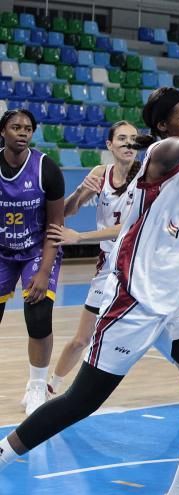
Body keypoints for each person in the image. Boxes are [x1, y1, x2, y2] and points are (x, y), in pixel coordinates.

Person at [0, 20, 179, 495]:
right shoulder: (163, 155)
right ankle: (4, 452)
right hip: (133, 302)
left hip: (175, 303)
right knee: (80, 402)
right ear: (163, 126)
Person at [46, 121, 179, 411]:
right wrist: (81, 192)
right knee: (81, 338)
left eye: (133, 138)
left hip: (138, 267)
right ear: (109, 145)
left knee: (168, 337)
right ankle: (48, 389)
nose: (128, 143)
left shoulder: (148, 174)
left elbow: (126, 227)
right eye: (121, 138)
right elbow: (66, 211)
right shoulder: (99, 174)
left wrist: (80, 236)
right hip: (107, 269)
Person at [0, 109, 65, 415]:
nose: (23, 132)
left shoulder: (46, 169)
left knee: (38, 316)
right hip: (2, 250)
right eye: (16, 127)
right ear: (3, 132)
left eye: (27, 128)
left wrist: (42, 271)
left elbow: (55, 226)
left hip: (37, 247)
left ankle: (37, 385)